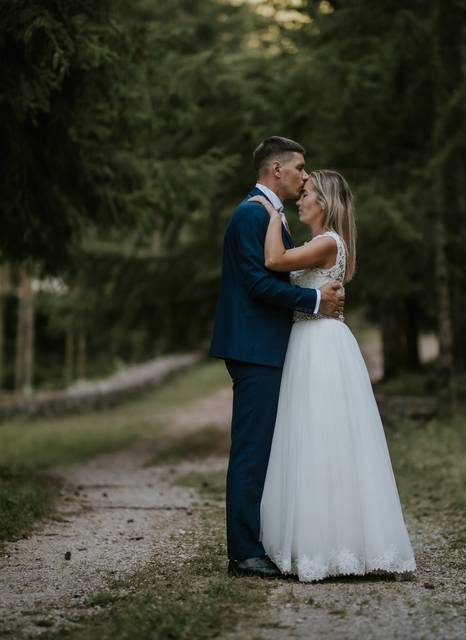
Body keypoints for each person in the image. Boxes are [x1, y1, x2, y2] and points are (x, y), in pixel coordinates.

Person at [253, 170, 416, 582]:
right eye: (299, 195)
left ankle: (333, 546)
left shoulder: (327, 243)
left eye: (305, 195)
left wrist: (272, 213)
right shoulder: (322, 242)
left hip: (319, 344)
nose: (299, 200)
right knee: (315, 439)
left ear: (322, 203)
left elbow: (273, 261)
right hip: (310, 339)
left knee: (321, 437)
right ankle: (323, 540)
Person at [208, 137, 345, 578]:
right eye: (300, 168)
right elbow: (256, 285)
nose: (305, 176)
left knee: (265, 448)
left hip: (264, 346)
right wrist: (315, 301)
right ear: (277, 170)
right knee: (251, 449)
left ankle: (258, 542)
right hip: (254, 348)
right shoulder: (254, 212)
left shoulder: (267, 214)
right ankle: (244, 552)